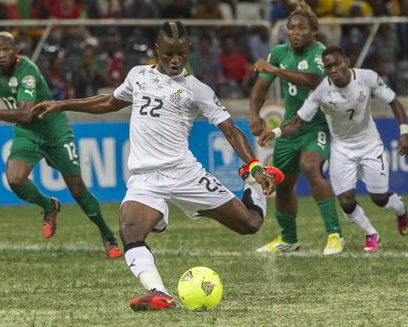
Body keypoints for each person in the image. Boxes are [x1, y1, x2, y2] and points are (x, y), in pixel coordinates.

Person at [31, 21, 284, 311]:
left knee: (250, 225)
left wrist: (254, 167)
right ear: (157, 51)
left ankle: (250, 185)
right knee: (129, 229)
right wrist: (62, 104)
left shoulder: (196, 89)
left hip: (185, 174)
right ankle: (158, 292)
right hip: (145, 178)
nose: (174, 61)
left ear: (188, 50)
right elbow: (110, 102)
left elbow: (229, 129)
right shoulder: (138, 75)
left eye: (180, 54)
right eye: (167, 54)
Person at [0, 31, 122, 259]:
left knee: (77, 189)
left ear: (16, 51)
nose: (2, 54)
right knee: (14, 179)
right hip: (28, 134)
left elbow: (26, 114)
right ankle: (49, 206)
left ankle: (107, 235)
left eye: (7, 49)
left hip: (54, 131)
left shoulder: (27, 72)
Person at [259, 45, 408, 252]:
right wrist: (275, 133)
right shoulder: (322, 90)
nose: (333, 70)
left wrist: (404, 132)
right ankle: (371, 234)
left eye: (336, 64)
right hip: (341, 148)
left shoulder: (367, 78)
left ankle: (401, 210)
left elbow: (393, 101)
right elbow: (297, 122)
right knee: (346, 201)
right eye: (328, 67)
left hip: (369, 145)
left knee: (379, 198)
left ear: (347, 62)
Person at [249, 2, 344, 255]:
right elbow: (261, 86)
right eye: (291, 28)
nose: (294, 32)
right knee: (282, 183)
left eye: (301, 28)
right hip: (289, 129)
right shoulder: (279, 52)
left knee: (311, 166)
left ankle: (335, 235)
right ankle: (288, 239)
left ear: (313, 31)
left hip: (316, 126)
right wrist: (254, 114)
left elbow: (313, 80)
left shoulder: (320, 53)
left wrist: (276, 70)